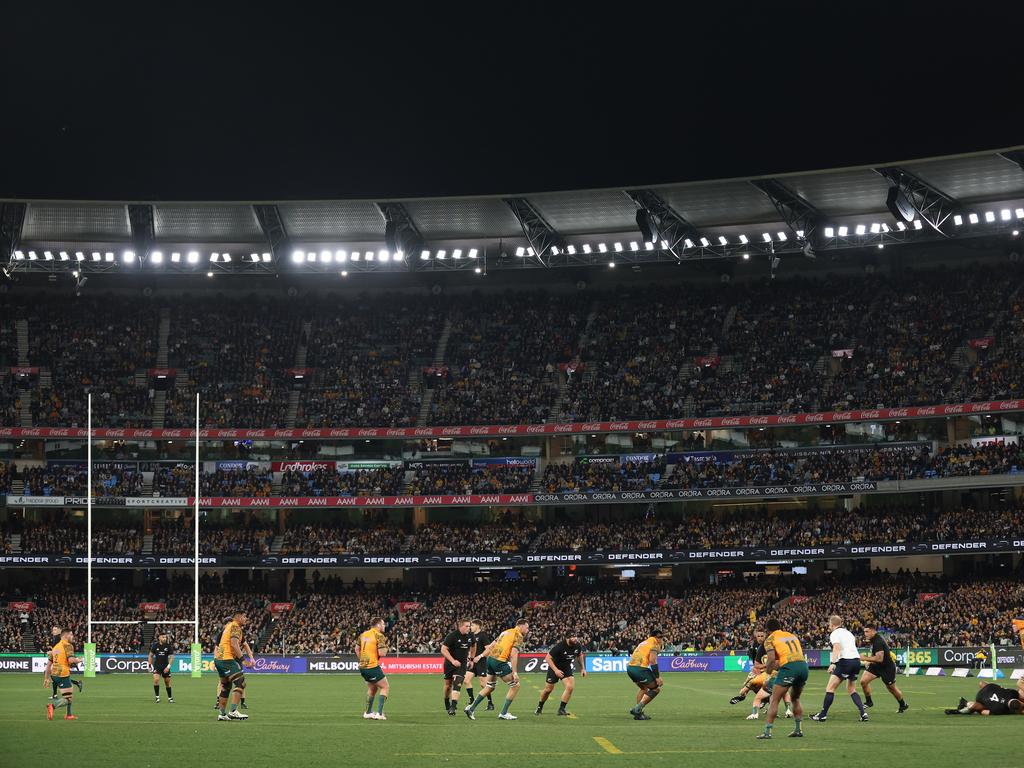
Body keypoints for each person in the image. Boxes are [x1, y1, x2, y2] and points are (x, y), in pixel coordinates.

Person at [465, 618, 529, 721]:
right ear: (521, 626)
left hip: (490, 660)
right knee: (515, 686)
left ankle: (471, 708)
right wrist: (515, 672)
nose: (527, 630)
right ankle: (503, 713)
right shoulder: (518, 636)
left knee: (490, 686)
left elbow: (491, 646)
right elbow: (513, 655)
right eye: (527, 628)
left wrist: (481, 656)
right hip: (499, 661)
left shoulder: (506, 632)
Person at [755, 618, 808, 739]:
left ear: (768, 630)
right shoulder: (791, 635)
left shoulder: (770, 639)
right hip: (803, 666)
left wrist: (768, 675)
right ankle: (798, 729)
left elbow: (771, 660)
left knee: (774, 699)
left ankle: (767, 732)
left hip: (789, 667)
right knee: (795, 699)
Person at [811, 615, 867, 722]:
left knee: (830, 688)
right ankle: (863, 714)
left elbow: (837, 647)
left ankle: (822, 715)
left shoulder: (835, 633)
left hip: (845, 661)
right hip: (856, 661)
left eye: (829, 624)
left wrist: (833, 663)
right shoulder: (848, 633)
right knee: (851, 689)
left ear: (832, 624)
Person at [214, 611, 254, 721]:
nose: (246, 618)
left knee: (226, 686)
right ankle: (233, 711)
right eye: (245, 616)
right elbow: (234, 644)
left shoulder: (230, 627)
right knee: (241, 682)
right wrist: (243, 660)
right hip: (226, 659)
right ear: (238, 617)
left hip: (219, 659)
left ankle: (222, 714)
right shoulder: (235, 627)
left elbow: (242, 644)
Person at [859, 625, 908, 713]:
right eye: (864, 632)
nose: (865, 634)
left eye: (867, 632)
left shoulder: (878, 641)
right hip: (876, 666)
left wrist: (865, 658)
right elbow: (876, 656)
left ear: (873, 631)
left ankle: (903, 704)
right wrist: (870, 661)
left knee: (891, 688)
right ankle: (869, 702)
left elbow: (879, 659)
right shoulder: (873, 640)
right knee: (863, 681)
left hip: (887, 668)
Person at [535, 634, 586, 716]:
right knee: (548, 690)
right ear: (567, 638)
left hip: (566, 668)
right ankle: (539, 706)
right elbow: (547, 658)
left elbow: (580, 655)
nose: (575, 638)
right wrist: (556, 670)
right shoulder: (559, 646)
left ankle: (561, 709)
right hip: (554, 667)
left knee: (570, 687)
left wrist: (583, 668)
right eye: (573, 637)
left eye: (576, 636)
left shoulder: (577, 645)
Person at [356, 617, 390, 721]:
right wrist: (386, 647)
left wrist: (362, 660)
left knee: (373, 688)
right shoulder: (379, 635)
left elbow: (357, 649)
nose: (384, 626)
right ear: (378, 625)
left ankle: (368, 712)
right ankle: (379, 714)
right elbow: (382, 653)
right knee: (385, 687)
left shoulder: (363, 634)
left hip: (363, 667)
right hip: (372, 666)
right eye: (383, 624)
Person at [626, 629, 664, 721]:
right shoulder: (655, 644)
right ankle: (637, 709)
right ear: (657, 637)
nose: (662, 640)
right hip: (640, 669)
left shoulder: (644, 642)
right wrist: (657, 677)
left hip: (630, 668)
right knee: (655, 688)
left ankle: (638, 714)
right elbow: (652, 660)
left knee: (643, 689)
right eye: (661, 637)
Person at [44, 629, 80, 721]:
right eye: (71, 635)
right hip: (62, 674)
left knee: (69, 695)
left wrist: (46, 678)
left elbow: (48, 665)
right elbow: (71, 660)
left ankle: (69, 715)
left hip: (54, 674)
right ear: (65, 636)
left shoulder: (55, 647)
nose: (72, 637)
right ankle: (52, 706)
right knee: (68, 699)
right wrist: (79, 660)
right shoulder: (68, 646)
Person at [441, 619, 473, 715]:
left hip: (462, 665)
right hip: (449, 664)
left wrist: (471, 659)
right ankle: (447, 701)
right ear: (461, 626)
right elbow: (443, 649)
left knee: (457, 683)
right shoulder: (452, 636)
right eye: (467, 626)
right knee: (448, 686)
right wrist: (452, 661)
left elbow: (474, 646)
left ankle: (453, 707)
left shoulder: (471, 636)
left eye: (469, 626)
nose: (469, 628)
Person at [945, 680, 1024, 715]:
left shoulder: (1012, 693)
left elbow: (1002, 687)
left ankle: (966, 704)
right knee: (980, 707)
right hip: (982, 698)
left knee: (982, 683)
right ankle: (965, 704)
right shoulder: (1001, 710)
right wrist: (977, 710)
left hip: (989, 688)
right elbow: (984, 712)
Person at [465, 619, 494, 711]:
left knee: (483, 684)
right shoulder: (470, 636)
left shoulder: (483, 635)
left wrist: (480, 656)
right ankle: (472, 700)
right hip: (472, 662)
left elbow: (488, 649)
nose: (470, 627)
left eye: (472, 626)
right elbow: (470, 648)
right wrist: (469, 657)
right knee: (466, 680)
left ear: (477, 626)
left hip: (481, 662)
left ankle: (490, 703)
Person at [48, 625, 81, 699]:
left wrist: (52, 652)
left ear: (60, 631)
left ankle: (55, 696)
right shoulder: (57, 639)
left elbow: (62, 651)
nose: (53, 631)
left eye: (55, 630)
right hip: (58, 662)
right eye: (53, 630)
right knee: (58, 679)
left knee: (57, 678)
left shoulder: (60, 639)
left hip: (60, 664)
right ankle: (55, 695)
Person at [149, 632, 175, 703]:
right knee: (156, 680)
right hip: (157, 666)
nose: (165, 638)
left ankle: (170, 698)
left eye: (165, 637)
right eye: (163, 637)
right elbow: (150, 655)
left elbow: (172, 657)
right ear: (159, 637)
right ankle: (157, 697)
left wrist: (168, 667)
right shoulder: (155, 646)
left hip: (165, 666)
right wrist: (149, 665)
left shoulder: (168, 646)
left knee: (167, 682)